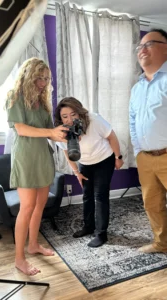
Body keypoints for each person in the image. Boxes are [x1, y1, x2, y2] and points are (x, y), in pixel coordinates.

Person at [5, 57, 68, 275]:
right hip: (26, 157)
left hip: (42, 156)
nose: (43, 82)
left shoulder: (43, 101)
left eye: (47, 79)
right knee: (27, 207)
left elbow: (51, 130)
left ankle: (33, 245)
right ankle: (19, 259)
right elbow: (21, 129)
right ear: (28, 75)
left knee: (40, 205)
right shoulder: (15, 96)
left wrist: (66, 132)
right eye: (39, 77)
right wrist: (50, 132)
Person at [54, 97, 124, 247]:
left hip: (104, 160)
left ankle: (101, 234)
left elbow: (111, 136)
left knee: (100, 196)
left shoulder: (94, 119)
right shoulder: (60, 131)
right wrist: (76, 172)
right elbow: (67, 152)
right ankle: (88, 226)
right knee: (87, 196)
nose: (70, 119)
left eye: (73, 114)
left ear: (79, 112)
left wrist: (118, 157)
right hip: (85, 163)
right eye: (65, 116)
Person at [129, 29, 167, 254]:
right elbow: (132, 119)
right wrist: (138, 151)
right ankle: (162, 244)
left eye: (149, 44)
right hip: (146, 158)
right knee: (152, 204)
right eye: (140, 47)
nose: (142, 50)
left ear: (165, 48)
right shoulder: (137, 88)